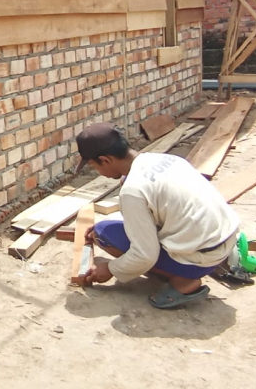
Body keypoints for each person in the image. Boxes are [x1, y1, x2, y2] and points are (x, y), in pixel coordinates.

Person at [74, 123, 240, 308]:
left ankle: (184, 281)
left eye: (93, 166)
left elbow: (145, 256)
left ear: (105, 160)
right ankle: (199, 265)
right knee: (115, 230)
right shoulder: (168, 160)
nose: (98, 172)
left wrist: (111, 269)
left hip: (201, 258)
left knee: (103, 234)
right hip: (226, 238)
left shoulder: (133, 190)